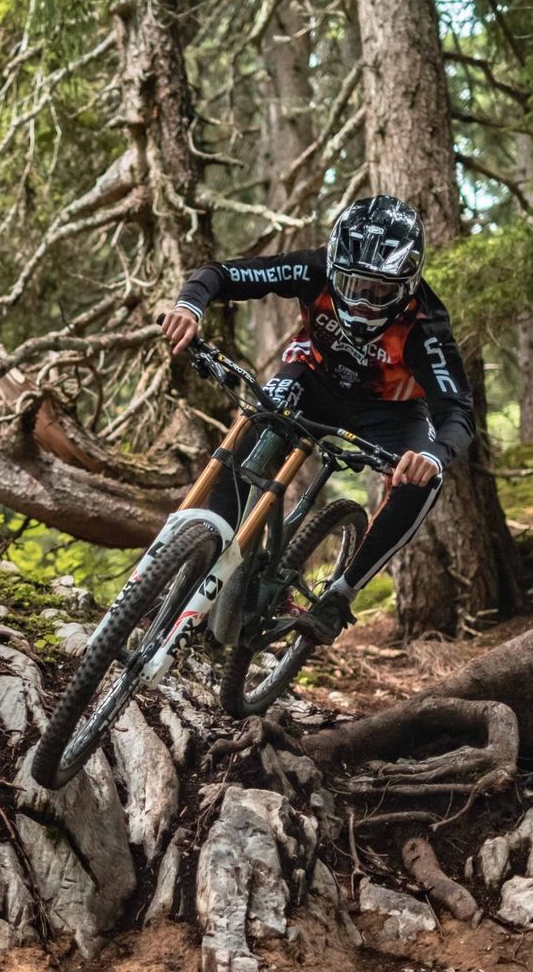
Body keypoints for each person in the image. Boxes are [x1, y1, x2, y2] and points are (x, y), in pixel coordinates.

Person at [157, 194, 472, 644]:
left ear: (407, 284)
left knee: (423, 480)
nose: (363, 302)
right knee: (249, 439)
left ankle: (340, 596)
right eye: (352, 283)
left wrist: (435, 457)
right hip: (313, 377)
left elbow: (456, 410)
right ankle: (211, 574)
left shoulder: (427, 325)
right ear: (333, 264)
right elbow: (222, 274)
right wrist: (190, 305)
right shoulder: (312, 266)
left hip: (391, 410)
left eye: (379, 291)